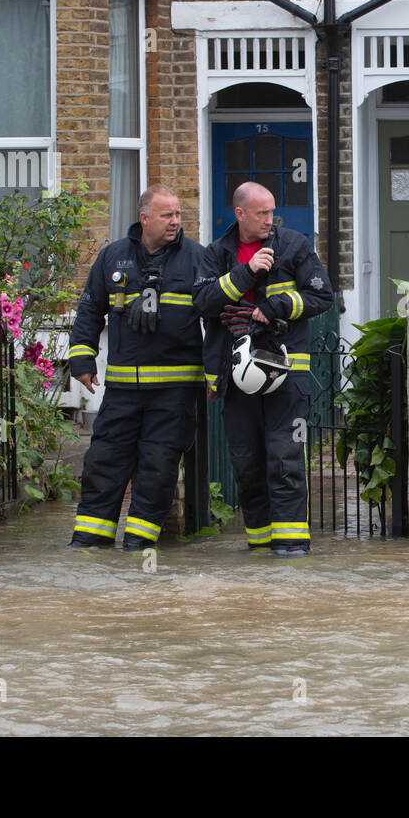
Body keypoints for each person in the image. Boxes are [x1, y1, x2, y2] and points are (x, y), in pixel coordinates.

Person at [193, 181, 333, 556]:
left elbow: (322, 295)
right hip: (236, 377)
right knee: (246, 460)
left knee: (285, 456)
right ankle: (259, 545)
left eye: (272, 212)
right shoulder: (217, 254)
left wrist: (274, 308)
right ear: (240, 214)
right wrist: (247, 272)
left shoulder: (294, 246)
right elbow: (204, 302)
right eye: (261, 213)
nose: (270, 220)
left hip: (287, 376)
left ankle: (291, 547)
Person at [67, 184, 206, 551]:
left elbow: (218, 317)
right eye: (167, 215)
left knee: (158, 468)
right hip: (123, 390)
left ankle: (139, 546)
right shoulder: (113, 257)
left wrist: (217, 372)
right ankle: (90, 540)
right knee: (104, 462)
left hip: (174, 393)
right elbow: (89, 310)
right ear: (144, 218)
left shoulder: (196, 258)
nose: (176, 221)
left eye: (178, 214)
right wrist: (81, 358)